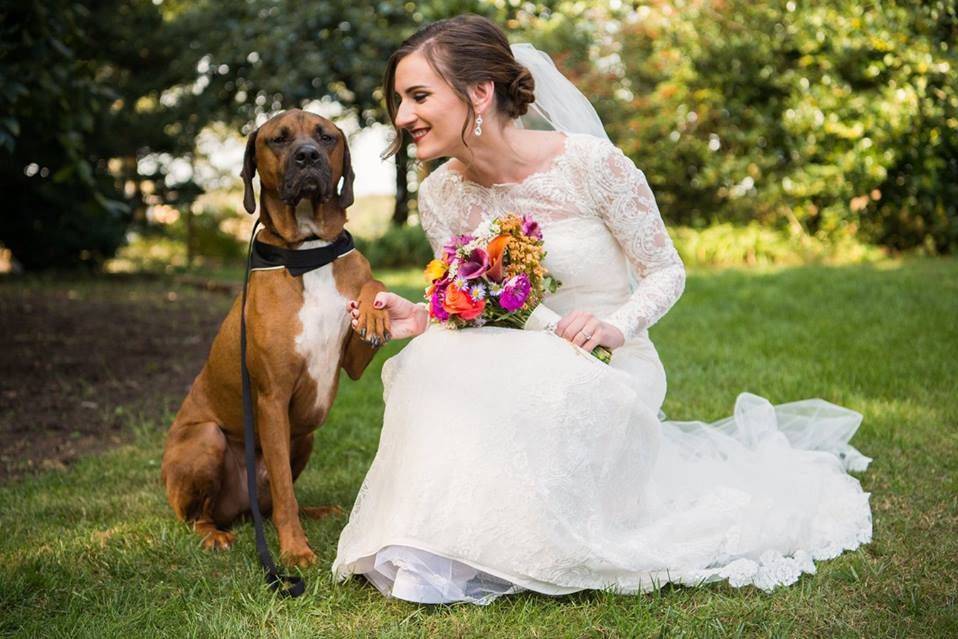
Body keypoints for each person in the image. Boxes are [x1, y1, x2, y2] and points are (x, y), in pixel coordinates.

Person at [331, 14, 872, 605]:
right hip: (508, 353)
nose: (402, 116)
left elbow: (667, 269)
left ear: (479, 92)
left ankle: (516, 541)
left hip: (605, 361)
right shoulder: (442, 194)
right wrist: (422, 315)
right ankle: (437, 541)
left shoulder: (589, 164)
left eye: (418, 96)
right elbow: (473, 301)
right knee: (431, 361)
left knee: (513, 379)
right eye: (399, 101)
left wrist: (617, 324)